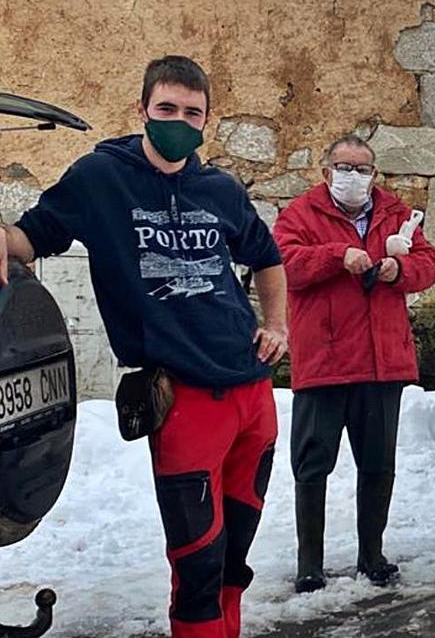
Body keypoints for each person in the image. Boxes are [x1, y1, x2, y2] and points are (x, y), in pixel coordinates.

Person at [0, 56, 286, 637]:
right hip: (182, 401)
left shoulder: (221, 189)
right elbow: (27, 240)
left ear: (206, 121)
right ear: (143, 110)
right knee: (198, 566)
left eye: (191, 112)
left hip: (253, 395)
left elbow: (267, 256)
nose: (178, 121)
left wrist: (277, 325)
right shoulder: (100, 179)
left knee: (234, 563)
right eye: (167, 109)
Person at [273, 135, 435, 592]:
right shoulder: (300, 214)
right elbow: (284, 264)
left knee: (377, 464)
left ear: (374, 175)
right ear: (326, 172)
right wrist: (337, 256)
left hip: (381, 361)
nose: (353, 176)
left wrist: (399, 271)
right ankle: (310, 561)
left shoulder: (397, 213)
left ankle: (373, 553)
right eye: (344, 167)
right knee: (312, 465)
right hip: (324, 361)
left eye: (362, 168)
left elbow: (431, 264)